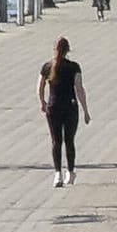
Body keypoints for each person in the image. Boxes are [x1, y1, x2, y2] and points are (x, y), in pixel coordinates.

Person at [38, 36, 90, 188]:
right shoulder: (74, 67)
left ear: (54, 50)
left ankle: (57, 174)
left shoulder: (47, 66)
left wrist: (42, 102)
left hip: (53, 107)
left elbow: (39, 86)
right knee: (69, 141)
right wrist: (86, 110)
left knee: (56, 142)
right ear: (68, 50)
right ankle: (71, 172)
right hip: (70, 107)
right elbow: (79, 89)